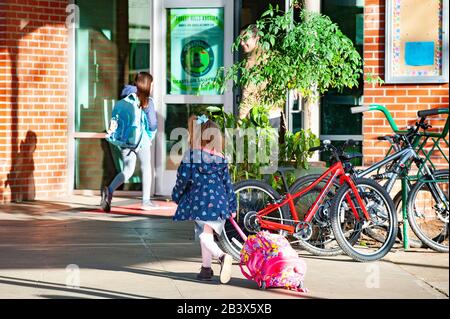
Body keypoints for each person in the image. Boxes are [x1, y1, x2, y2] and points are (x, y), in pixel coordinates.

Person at [171, 115, 236, 283]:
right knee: (206, 234)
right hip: (219, 203)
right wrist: (232, 206)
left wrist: (176, 196)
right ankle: (206, 269)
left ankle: (222, 256)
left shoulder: (191, 157)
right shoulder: (221, 159)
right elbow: (228, 185)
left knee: (204, 236)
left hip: (200, 202)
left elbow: (182, 180)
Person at [101, 72, 158, 212]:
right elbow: (152, 124)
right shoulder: (147, 101)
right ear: (147, 85)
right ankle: (145, 201)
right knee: (146, 168)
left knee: (127, 170)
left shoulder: (123, 101)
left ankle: (109, 190)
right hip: (141, 140)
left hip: (125, 141)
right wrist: (149, 137)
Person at [238, 24, 284, 128]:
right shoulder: (271, 54)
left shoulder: (253, 60)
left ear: (257, 38)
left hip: (259, 115)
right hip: (274, 113)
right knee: (271, 144)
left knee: (256, 144)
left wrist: (241, 119)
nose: (241, 43)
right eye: (240, 39)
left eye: (245, 39)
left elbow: (249, 91)